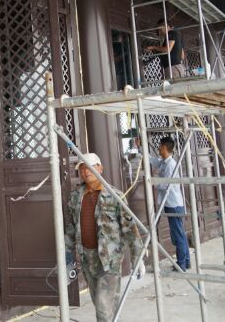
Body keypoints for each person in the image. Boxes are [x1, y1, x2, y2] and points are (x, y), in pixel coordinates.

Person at [64, 153, 142, 322]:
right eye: (82, 168)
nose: (86, 171)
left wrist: (138, 256)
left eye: (90, 167)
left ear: (100, 168)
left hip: (109, 260)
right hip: (87, 258)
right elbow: (70, 229)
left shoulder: (115, 195)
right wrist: (67, 257)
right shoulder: (76, 197)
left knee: (103, 307)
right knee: (102, 304)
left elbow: (129, 228)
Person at [149, 137, 190, 272]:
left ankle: (181, 264)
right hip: (172, 203)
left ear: (165, 148)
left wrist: (153, 181)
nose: (158, 148)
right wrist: (141, 148)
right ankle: (186, 262)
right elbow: (153, 161)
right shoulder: (164, 162)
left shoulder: (170, 165)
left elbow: (166, 184)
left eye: (160, 146)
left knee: (178, 235)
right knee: (180, 233)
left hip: (174, 204)